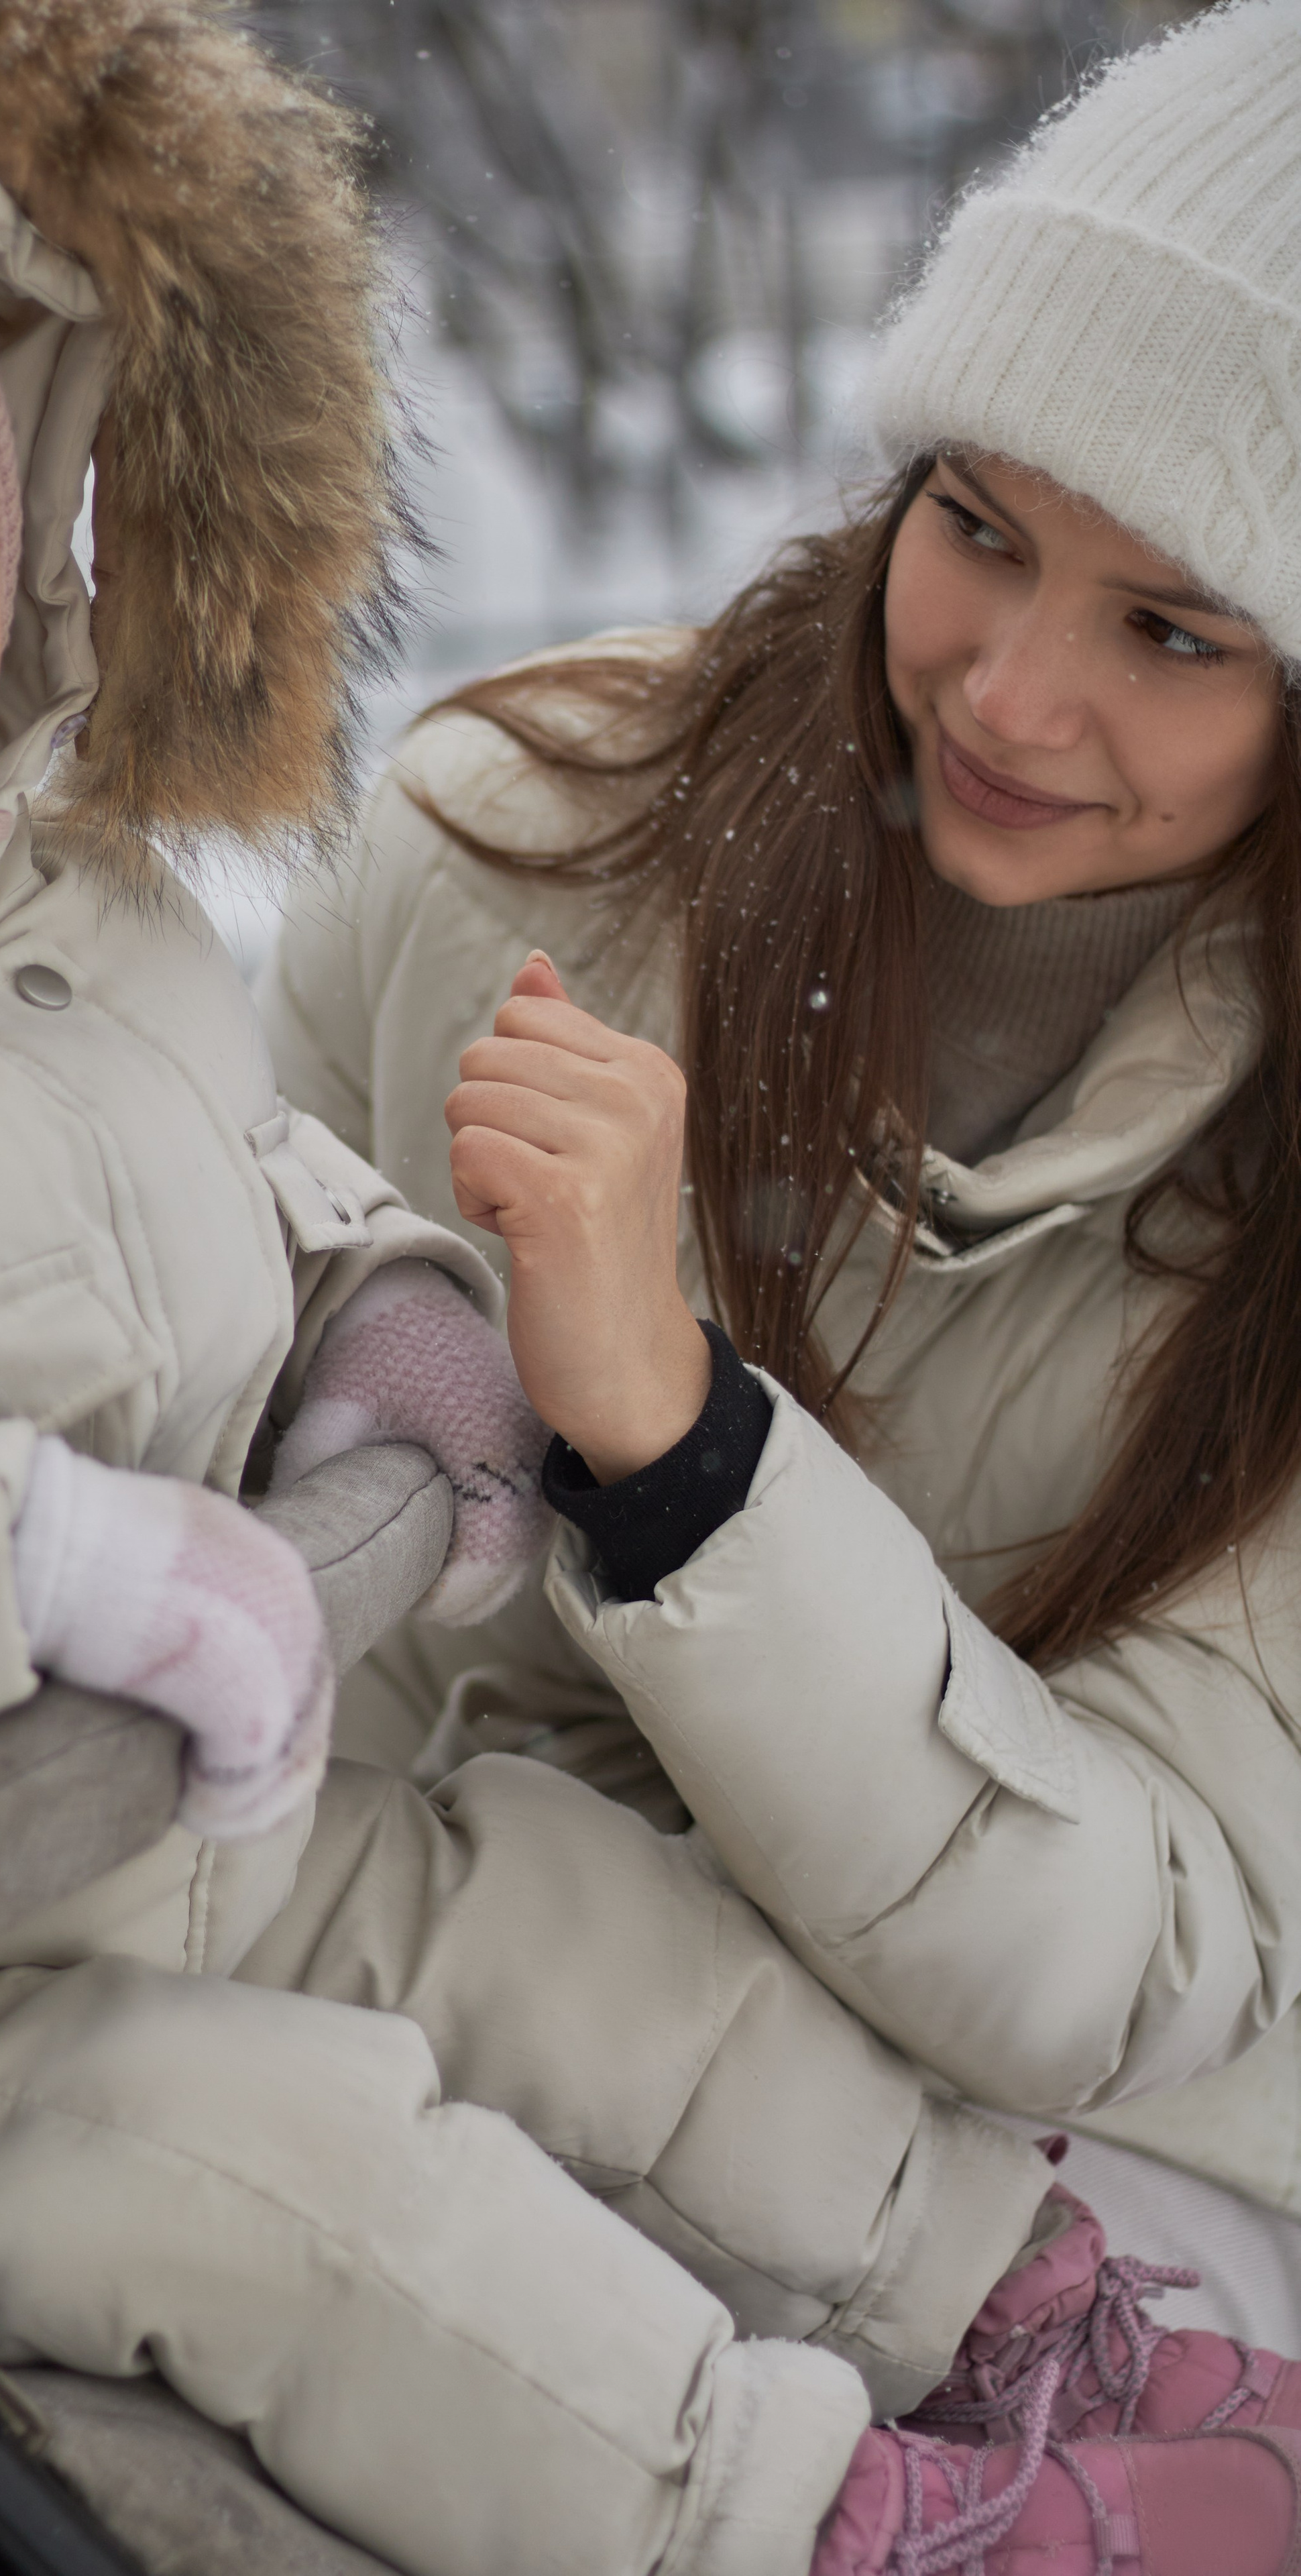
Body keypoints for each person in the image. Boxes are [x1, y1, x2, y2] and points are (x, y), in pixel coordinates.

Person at [261, 0, 1301, 2435]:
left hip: (1092, 2253)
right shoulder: (509, 847)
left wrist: (683, 1454)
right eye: (980, 529)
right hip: (424, 2019)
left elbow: (1125, 1964)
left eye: (1172, 630)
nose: (1017, 699)